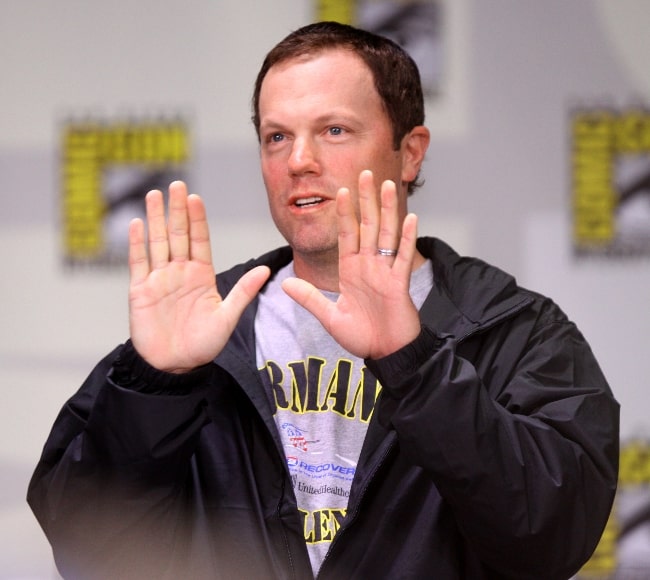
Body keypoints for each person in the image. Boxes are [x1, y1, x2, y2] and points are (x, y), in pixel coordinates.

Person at [28, 21, 619, 580]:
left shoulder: (517, 330)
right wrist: (156, 386)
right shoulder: (207, 327)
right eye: (276, 136)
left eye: (333, 130)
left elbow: (550, 541)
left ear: (410, 151)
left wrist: (414, 365)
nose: (298, 161)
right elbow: (88, 552)